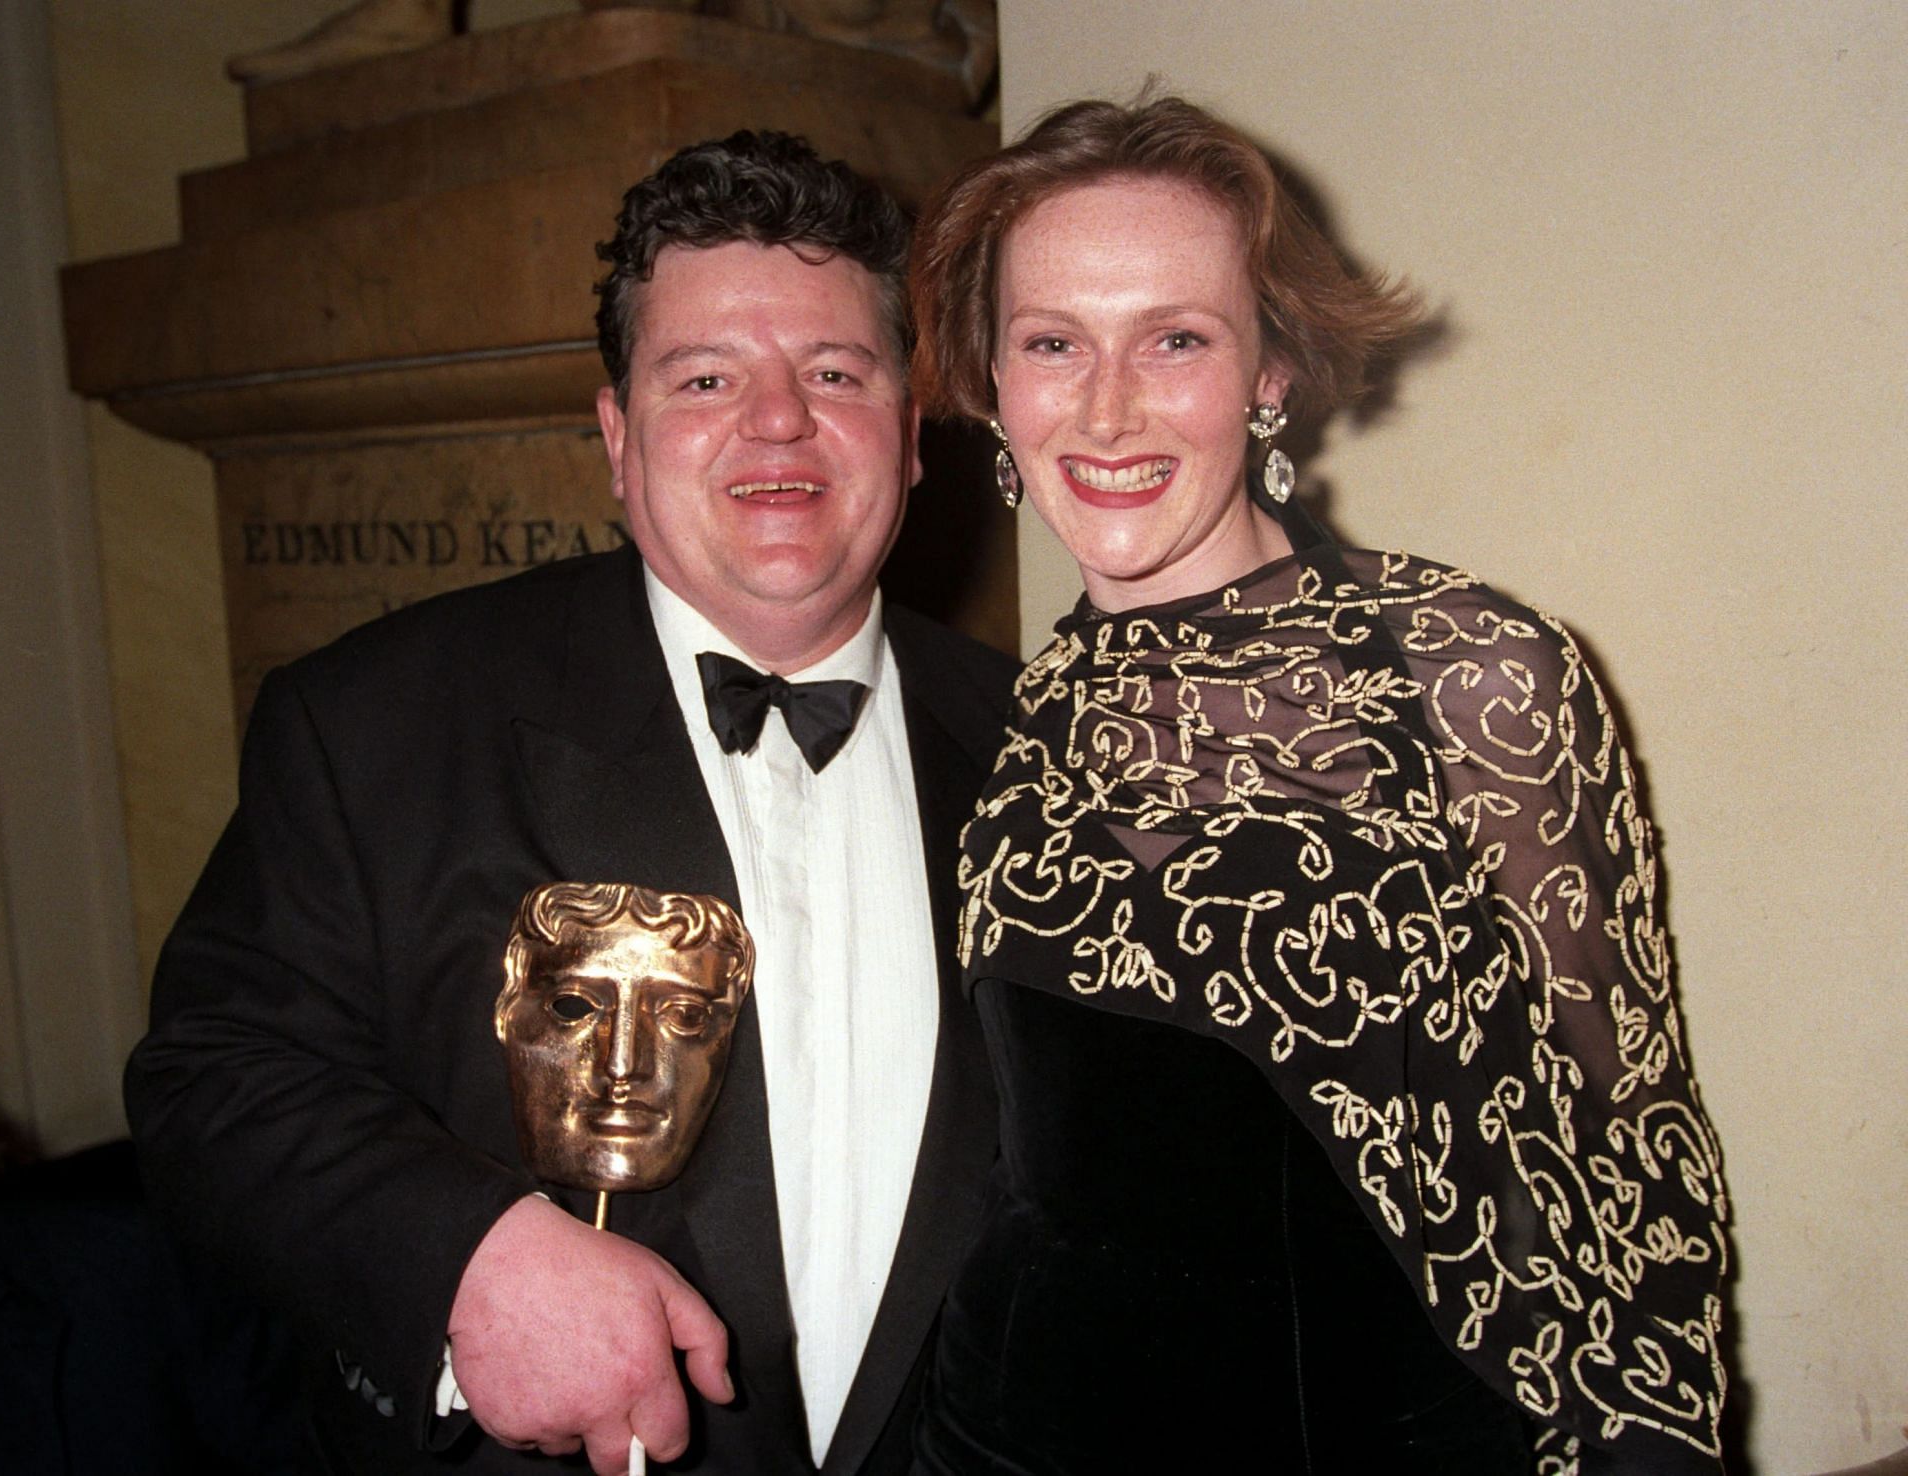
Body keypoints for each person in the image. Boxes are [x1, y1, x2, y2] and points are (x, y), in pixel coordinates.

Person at [125, 130, 1016, 1476]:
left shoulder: (1040, 749)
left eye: (836, 372)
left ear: (909, 425)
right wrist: (465, 1259)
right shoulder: (377, 721)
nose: (778, 420)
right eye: (704, 376)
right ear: (616, 435)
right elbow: (215, 1081)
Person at [905, 94, 1729, 1474]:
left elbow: (1626, 1129)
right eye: (1054, 342)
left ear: (1271, 369)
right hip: (1012, 1438)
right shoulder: (1020, 706)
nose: (1107, 405)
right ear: (994, 378)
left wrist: (1652, 1448)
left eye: (1176, 338)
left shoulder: (1473, 676)